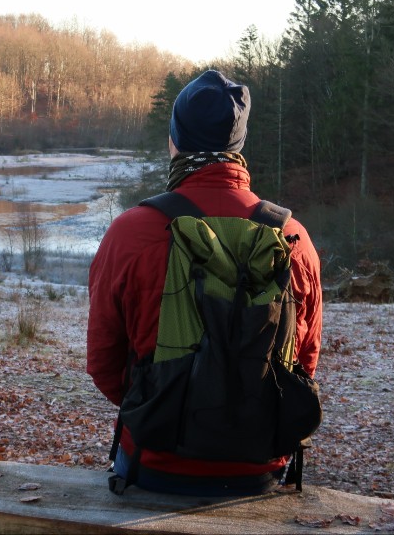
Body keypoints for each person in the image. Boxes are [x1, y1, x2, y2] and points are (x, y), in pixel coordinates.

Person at [86, 69, 322, 496]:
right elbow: (303, 362)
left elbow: (105, 364)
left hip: (155, 463)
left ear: (175, 141)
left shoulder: (132, 233)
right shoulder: (294, 239)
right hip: (260, 469)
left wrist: (162, 405)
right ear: (239, 145)